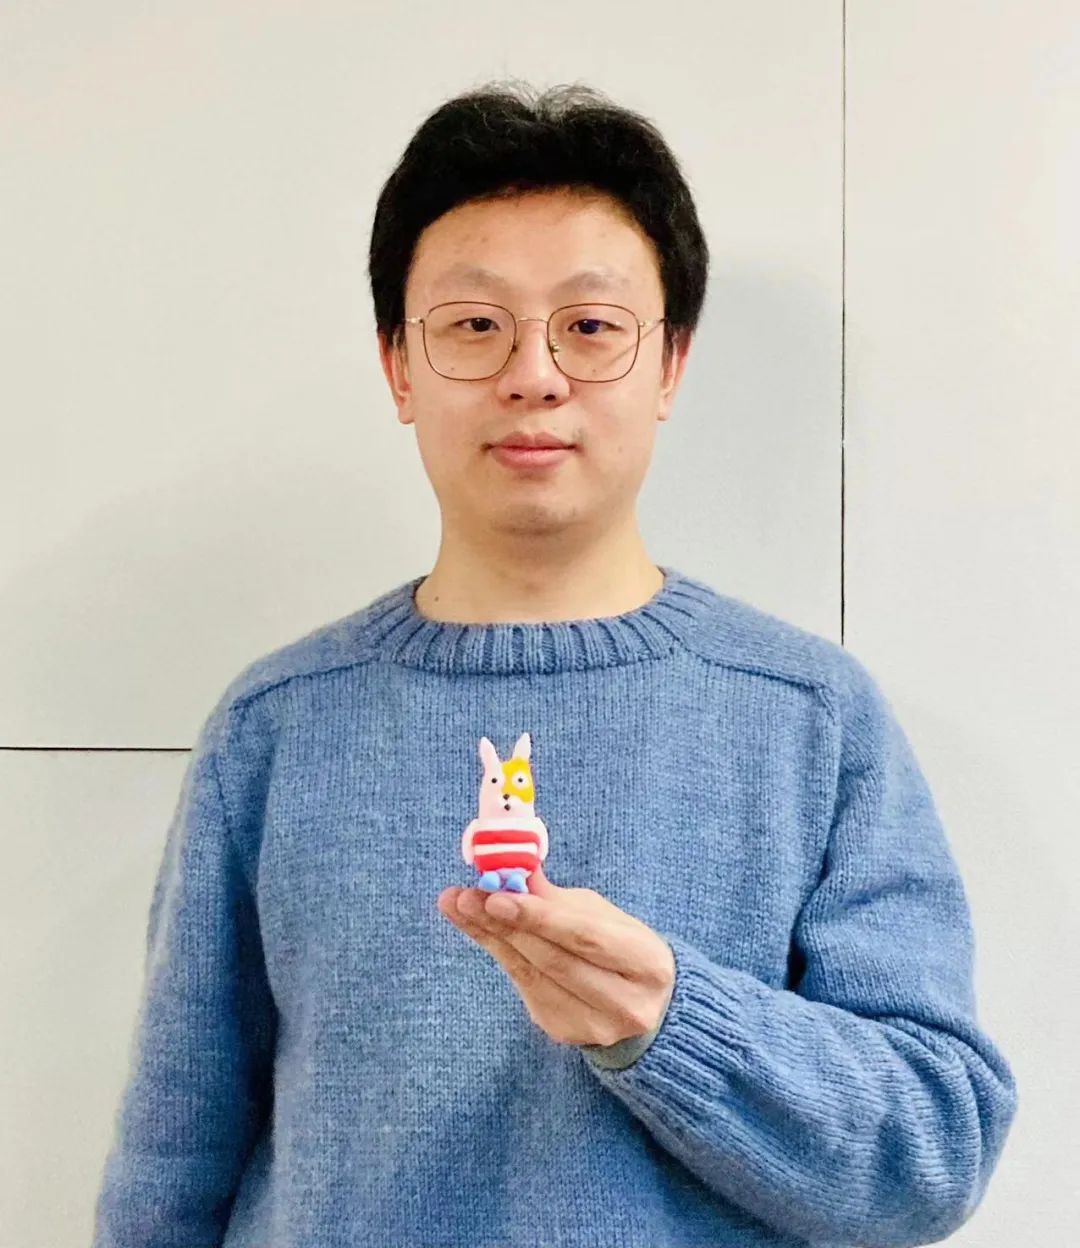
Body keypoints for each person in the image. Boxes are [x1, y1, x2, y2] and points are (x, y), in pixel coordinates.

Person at [91, 80, 1018, 1248]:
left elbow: (934, 1151)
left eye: (589, 326)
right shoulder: (277, 725)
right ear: (398, 366)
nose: (533, 373)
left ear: (669, 364)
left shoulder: (809, 717)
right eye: (475, 325)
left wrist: (669, 1021)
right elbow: (172, 1165)